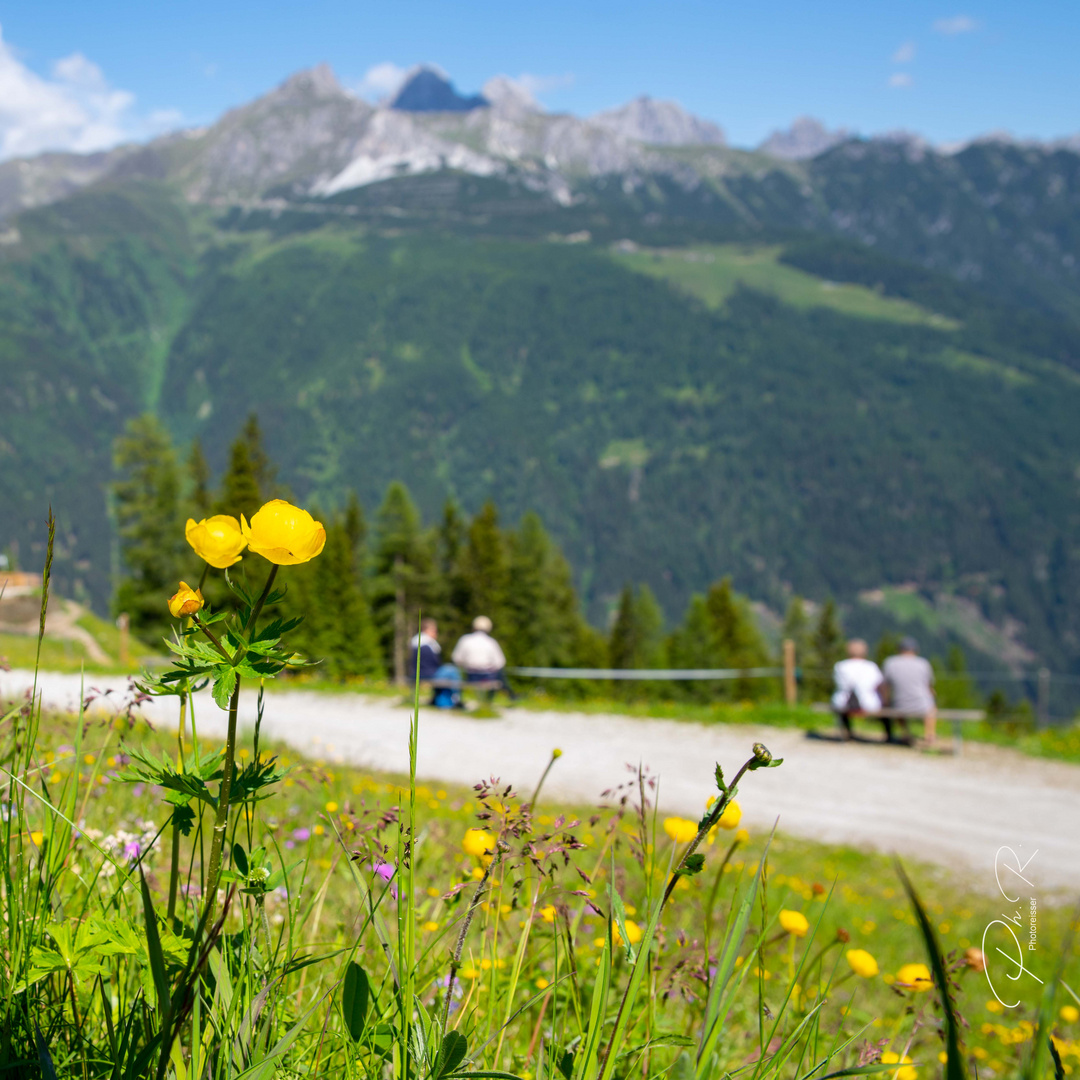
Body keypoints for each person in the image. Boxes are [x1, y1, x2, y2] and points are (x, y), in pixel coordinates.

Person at [881, 637, 936, 746]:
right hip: (921, 704)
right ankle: (930, 735)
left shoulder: (890, 662)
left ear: (899, 649)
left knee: (898, 703)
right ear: (915, 650)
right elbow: (929, 687)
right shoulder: (923, 663)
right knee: (932, 707)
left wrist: (885, 701)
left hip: (899, 704)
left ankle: (905, 733)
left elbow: (885, 686)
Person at [452, 615, 516, 700]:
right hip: (487, 677)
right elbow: (500, 662)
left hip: (470, 675)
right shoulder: (491, 642)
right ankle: (497, 698)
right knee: (499, 673)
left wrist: (467, 664)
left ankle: (510, 695)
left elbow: (456, 658)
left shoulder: (465, 639)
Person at [831, 639, 884, 740]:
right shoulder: (871, 666)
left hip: (843, 702)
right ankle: (888, 735)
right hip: (869, 703)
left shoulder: (839, 666)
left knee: (841, 705)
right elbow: (879, 684)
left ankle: (847, 732)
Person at [406, 617, 443, 683]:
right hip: (428, 674)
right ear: (426, 630)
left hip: (415, 673)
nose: (436, 633)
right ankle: (453, 693)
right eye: (434, 631)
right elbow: (434, 663)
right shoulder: (428, 644)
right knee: (451, 672)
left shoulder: (415, 642)